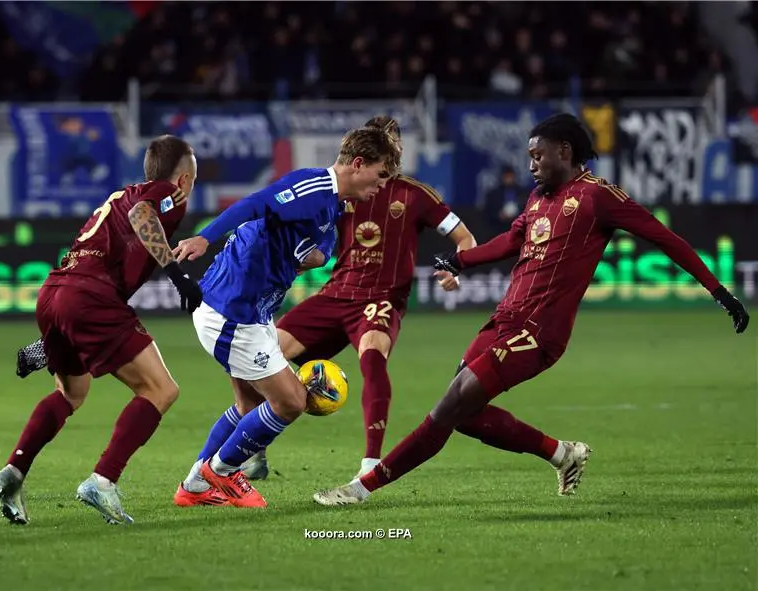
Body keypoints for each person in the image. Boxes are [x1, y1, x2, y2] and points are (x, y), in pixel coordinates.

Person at [312, 113, 750, 506]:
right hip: (503, 320)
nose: (531, 164)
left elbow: (664, 238)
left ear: (565, 151)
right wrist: (461, 259)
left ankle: (361, 488)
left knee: (448, 407)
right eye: (529, 156)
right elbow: (510, 241)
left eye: (537, 155)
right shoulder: (538, 198)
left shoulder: (599, 197)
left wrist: (718, 289)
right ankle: (563, 453)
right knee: (464, 417)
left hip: (540, 332)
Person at [225, 115, 476, 484]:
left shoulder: (416, 195)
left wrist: (455, 267)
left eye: (395, 146)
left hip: (382, 299)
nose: (392, 156)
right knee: (254, 356)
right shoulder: (342, 192)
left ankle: (371, 463)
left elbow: (465, 238)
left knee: (373, 360)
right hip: (336, 294)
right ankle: (252, 451)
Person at [172, 125, 402, 508]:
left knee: (248, 407)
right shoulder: (313, 188)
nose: (381, 186)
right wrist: (204, 238)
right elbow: (256, 203)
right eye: (379, 176)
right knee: (292, 402)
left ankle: (193, 487)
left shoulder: (334, 205)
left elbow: (322, 247)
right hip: (231, 311)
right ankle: (222, 472)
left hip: (254, 314)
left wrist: (313, 254)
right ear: (358, 164)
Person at [0, 135, 203, 525]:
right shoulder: (166, 195)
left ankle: (13, 472)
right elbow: (143, 216)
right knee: (161, 389)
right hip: (91, 298)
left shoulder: (122, 194)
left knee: (72, 392)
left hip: (56, 293)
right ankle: (103, 480)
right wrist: (178, 275)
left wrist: (49, 344)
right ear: (185, 179)